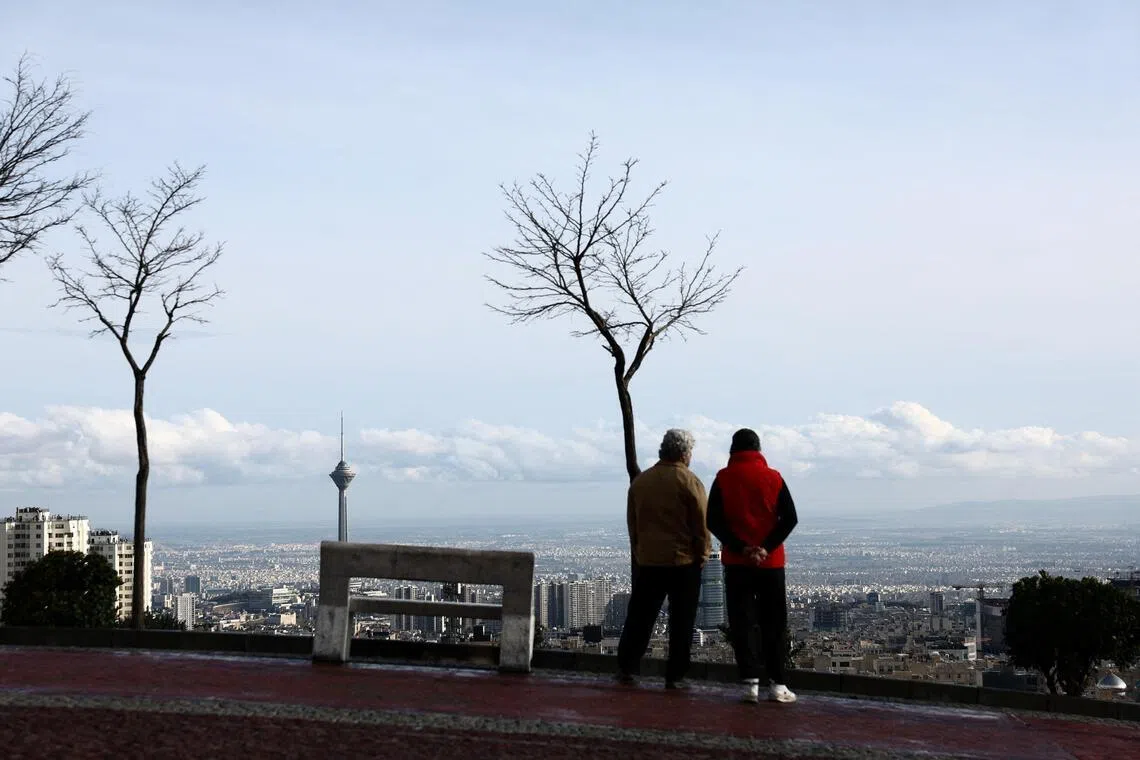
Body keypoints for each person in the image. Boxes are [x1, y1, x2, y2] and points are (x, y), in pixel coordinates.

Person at [707, 428, 799, 704]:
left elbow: (713, 520)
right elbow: (790, 518)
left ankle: (750, 683)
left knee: (742, 621)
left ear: (732, 451)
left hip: (737, 562)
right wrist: (765, 548)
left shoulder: (723, 478)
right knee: (774, 622)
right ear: (759, 450)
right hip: (771, 563)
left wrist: (741, 548)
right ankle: (778, 684)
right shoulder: (774, 478)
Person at [616, 428, 710, 690]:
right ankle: (675, 676)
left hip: (648, 561)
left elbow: (632, 524)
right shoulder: (690, 482)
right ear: (684, 453)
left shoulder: (641, 482)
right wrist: (702, 554)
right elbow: (702, 525)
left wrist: (639, 551)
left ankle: (626, 666)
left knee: (640, 617)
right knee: (682, 621)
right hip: (683, 563)